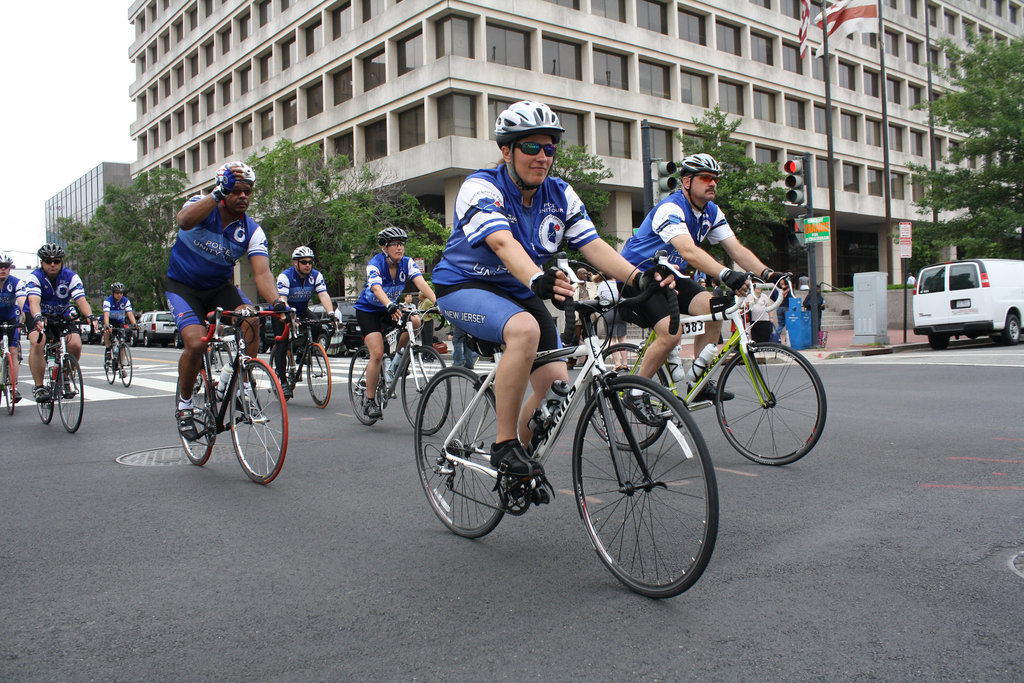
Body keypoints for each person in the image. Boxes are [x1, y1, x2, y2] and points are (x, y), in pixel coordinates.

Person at [431, 100, 671, 478]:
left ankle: (517, 472)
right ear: (506, 151)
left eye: (549, 148)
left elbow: (594, 246)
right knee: (523, 329)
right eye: (531, 147)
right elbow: (502, 244)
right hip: (463, 284)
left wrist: (638, 278)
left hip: (519, 287)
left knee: (557, 386)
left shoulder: (559, 194)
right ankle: (504, 444)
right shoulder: (480, 186)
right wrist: (536, 279)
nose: (542, 156)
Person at [619, 152, 789, 401]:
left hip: (670, 275)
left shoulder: (711, 212)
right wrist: (726, 274)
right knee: (671, 333)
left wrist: (769, 273)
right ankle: (635, 394)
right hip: (636, 275)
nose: (712, 183)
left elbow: (737, 249)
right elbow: (688, 251)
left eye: (715, 179)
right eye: (706, 178)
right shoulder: (670, 208)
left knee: (715, 309)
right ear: (687, 181)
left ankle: (699, 384)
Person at [166, 161, 284, 440]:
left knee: (251, 318)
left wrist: (278, 303)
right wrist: (218, 193)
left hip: (219, 288)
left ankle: (240, 383)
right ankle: (184, 407)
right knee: (196, 343)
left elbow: (262, 272)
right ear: (223, 189)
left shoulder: (252, 230)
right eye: (236, 191)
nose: (243, 196)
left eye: (248, 192)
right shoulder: (201, 205)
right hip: (184, 288)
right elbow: (183, 221)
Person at [352, 226, 436, 421]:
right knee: (377, 354)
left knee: (415, 320)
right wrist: (389, 304)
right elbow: (375, 287)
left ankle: (397, 358)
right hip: (369, 311)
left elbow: (421, 282)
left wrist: (437, 302)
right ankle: (370, 401)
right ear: (384, 247)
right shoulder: (375, 264)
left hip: (389, 307)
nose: (400, 248)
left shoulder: (407, 263)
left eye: (402, 244)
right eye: (395, 244)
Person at [23, 243, 98, 403]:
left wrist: (91, 316)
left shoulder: (70, 276)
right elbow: (33, 300)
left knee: (76, 344)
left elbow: (81, 300)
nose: (52, 264)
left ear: (61, 262)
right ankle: (39, 387)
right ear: (42, 262)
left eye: (56, 261)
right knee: (38, 342)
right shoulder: (34, 277)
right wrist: (37, 317)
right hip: (38, 313)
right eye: (48, 261)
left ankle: (64, 378)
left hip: (61, 313)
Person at [272, 246, 336, 400]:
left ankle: (302, 351)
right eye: (304, 262)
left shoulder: (316, 275)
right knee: (282, 345)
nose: (308, 265)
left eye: (310, 262)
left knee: (317, 325)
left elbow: (323, 295)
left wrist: (331, 314)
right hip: (283, 312)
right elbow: (283, 299)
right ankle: (283, 382)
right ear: (296, 263)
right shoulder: (285, 276)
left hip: (301, 309)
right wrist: (289, 317)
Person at [0, 252, 25, 402]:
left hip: (10, 318)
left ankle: (14, 387)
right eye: (0, 266)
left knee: (13, 351)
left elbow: (22, 300)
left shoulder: (16, 282)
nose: (3, 269)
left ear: (10, 269)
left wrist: (24, 317)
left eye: (6, 267)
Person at [594, 272, 629, 370]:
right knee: (622, 338)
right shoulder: (618, 283)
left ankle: (617, 363)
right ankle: (625, 363)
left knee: (612, 339)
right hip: (620, 311)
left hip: (608, 311)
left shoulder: (602, 285)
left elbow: (600, 298)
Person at [102, 282, 137, 365]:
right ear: (113, 293)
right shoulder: (108, 301)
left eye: (121, 293)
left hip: (119, 322)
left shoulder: (125, 301)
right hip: (110, 321)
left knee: (122, 342)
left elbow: (129, 313)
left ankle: (122, 364)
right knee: (107, 330)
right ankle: (107, 349)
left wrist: (135, 324)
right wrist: (107, 324)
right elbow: (106, 315)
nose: (119, 295)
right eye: (117, 293)